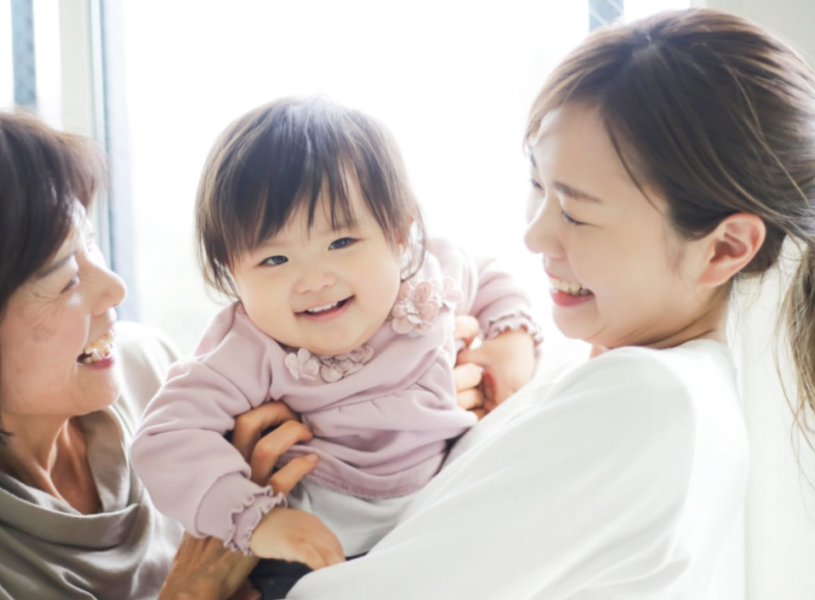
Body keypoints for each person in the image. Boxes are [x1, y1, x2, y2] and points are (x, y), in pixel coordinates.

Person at [158, 8, 815, 599]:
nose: (535, 235)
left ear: (724, 249)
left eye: (577, 212)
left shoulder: (652, 401)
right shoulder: (605, 377)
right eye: (537, 187)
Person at [0, 110, 488, 600]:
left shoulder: (145, 367)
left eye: (91, 246)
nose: (113, 289)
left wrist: (418, 395)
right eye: (65, 276)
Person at [130, 97, 541, 597]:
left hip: (442, 511)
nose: (314, 280)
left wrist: (511, 344)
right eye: (275, 259)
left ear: (399, 233)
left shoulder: (431, 275)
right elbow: (165, 440)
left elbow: (493, 280)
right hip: (315, 545)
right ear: (231, 270)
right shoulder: (247, 348)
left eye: (341, 243)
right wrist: (257, 521)